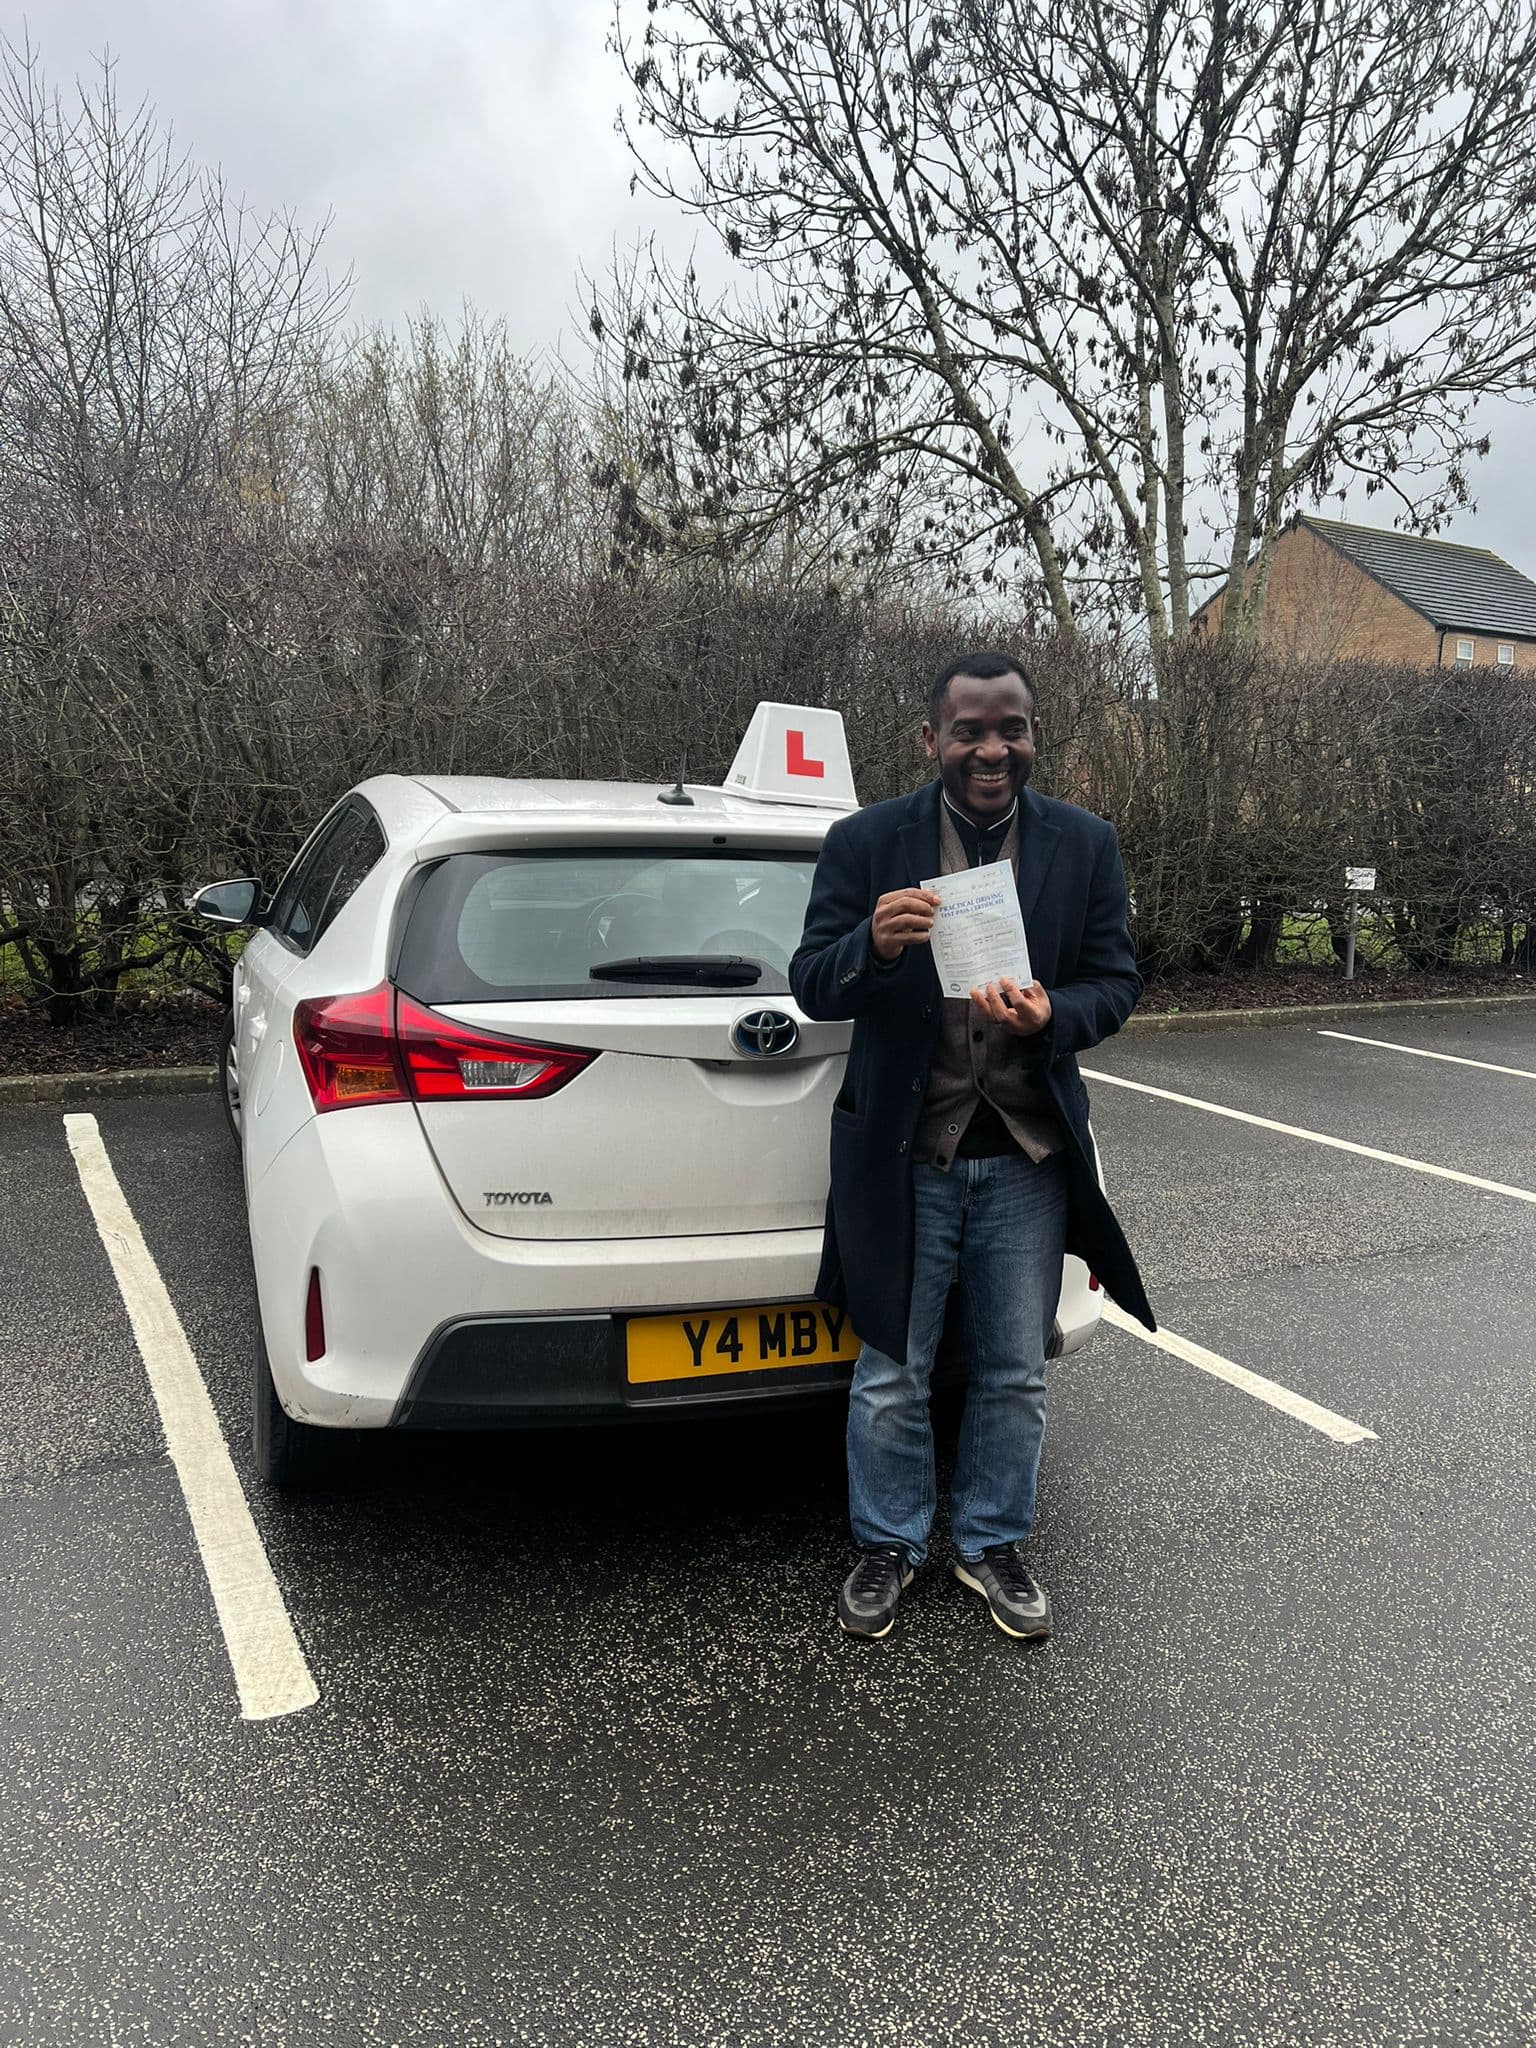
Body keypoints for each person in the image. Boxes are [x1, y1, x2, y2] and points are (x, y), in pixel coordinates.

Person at [789, 652, 1154, 1641]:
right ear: (932, 740)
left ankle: (991, 1542)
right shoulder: (868, 842)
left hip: (1025, 1157)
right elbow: (811, 982)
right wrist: (872, 944)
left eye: (1012, 729)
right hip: (906, 1156)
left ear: (1033, 734)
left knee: (1014, 1370)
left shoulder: (1084, 843)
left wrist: (1054, 1013)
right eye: (969, 732)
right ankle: (889, 1543)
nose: (993, 750)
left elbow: (1115, 981)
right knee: (892, 1369)